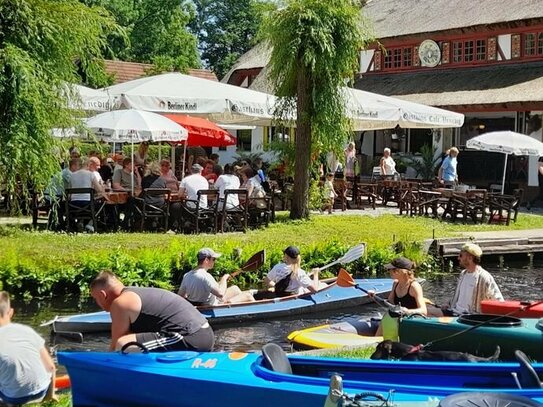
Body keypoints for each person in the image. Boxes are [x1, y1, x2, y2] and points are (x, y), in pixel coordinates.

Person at [90, 270, 214, 352]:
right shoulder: (135, 292)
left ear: (103, 295)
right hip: (204, 332)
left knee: (123, 344)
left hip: (192, 337)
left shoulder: (120, 303)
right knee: (131, 342)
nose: (97, 303)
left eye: (95, 299)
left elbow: (114, 348)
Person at [0, 291, 56, 405]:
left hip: (14, 398)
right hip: (42, 392)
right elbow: (51, 367)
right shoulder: (26, 330)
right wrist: (50, 395)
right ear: (10, 312)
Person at [428, 243, 504, 316]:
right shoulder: (463, 274)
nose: (458, 258)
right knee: (426, 309)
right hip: (454, 311)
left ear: (470, 258)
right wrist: (448, 304)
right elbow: (460, 297)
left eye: (461, 255)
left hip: (468, 317)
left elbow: (499, 300)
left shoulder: (484, 277)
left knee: (427, 312)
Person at [371, 257, 427, 337]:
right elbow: (389, 304)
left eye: (391, 269)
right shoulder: (395, 284)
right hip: (396, 318)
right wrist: (374, 297)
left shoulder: (414, 286)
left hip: (410, 320)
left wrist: (407, 311)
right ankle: (377, 339)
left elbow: (424, 311)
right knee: (387, 315)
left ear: (399, 271)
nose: (389, 272)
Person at [178, 248, 255, 305]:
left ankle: (235, 303)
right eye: (213, 259)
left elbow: (181, 296)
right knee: (248, 296)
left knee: (235, 288)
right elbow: (221, 294)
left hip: (202, 304)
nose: (215, 261)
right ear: (206, 260)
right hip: (212, 305)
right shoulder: (206, 276)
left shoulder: (187, 275)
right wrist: (224, 279)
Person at [254, 246, 323, 300]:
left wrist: (276, 286)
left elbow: (266, 281)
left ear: (286, 256)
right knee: (320, 284)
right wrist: (316, 274)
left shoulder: (277, 267)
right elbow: (315, 290)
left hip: (279, 294)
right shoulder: (300, 272)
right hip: (292, 297)